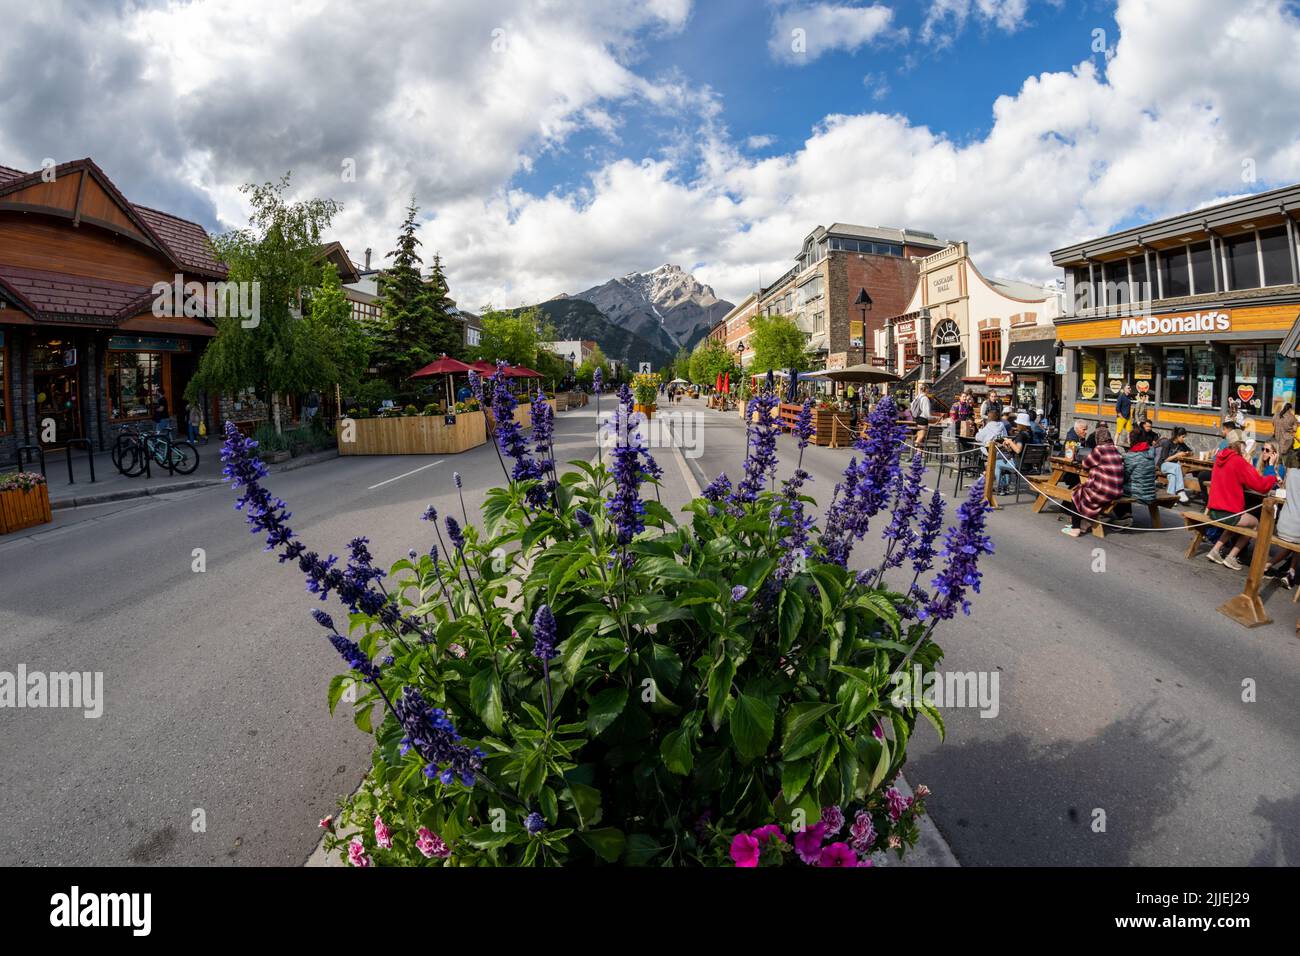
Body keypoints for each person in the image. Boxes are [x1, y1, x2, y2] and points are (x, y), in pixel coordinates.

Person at [1204, 429, 1279, 571]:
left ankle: (1215, 550)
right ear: (1239, 445)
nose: (1246, 447)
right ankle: (1232, 557)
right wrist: (1270, 469)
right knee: (1255, 523)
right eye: (1244, 444)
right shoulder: (1238, 461)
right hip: (1228, 512)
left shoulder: (1220, 457)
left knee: (1240, 519)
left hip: (1214, 510)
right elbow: (1262, 486)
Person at [1062, 425, 1124, 537]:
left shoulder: (1099, 450)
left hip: (1104, 490)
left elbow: (1086, 464)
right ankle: (1084, 524)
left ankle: (1075, 528)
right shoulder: (1115, 450)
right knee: (1084, 489)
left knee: (1076, 494)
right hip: (1117, 490)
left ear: (1098, 438)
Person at [994, 413, 1032, 494]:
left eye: (1018, 424)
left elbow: (1018, 450)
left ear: (1021, 424)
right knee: (1004, 462)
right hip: (1028, 464)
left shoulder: (1021, 435)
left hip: (1019, 464)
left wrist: (1010, 441)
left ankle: (1001, 488)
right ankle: (1005, 487)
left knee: (996, 464)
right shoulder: (1030, 434)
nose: (1016, 425)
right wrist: (1008, 446)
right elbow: (1015, 450)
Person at [1154, 426, 1192, 504]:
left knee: (1173, 477)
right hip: (1163, 466)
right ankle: (1180, 490)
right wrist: (1177, 455)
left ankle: (1170, 498)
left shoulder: (1181, 444)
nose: (1184, 439)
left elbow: (1191, 452)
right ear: (1177, 436)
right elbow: (1165, 459)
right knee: (1178, 467)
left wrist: (1187, 453)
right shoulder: (1167, 443)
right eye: (1183, 437)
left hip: (1172, 468)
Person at [1061, 420, 1096, 489]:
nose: (1086, 432)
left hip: (1072, 468)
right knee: (1085, 479)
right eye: (1084, 429)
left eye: (1086, 429)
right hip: (1066, 469)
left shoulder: (1079, 436)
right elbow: (1076, 455)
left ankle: (1070, 498)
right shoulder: (1072, 439)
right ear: (1077, 429)